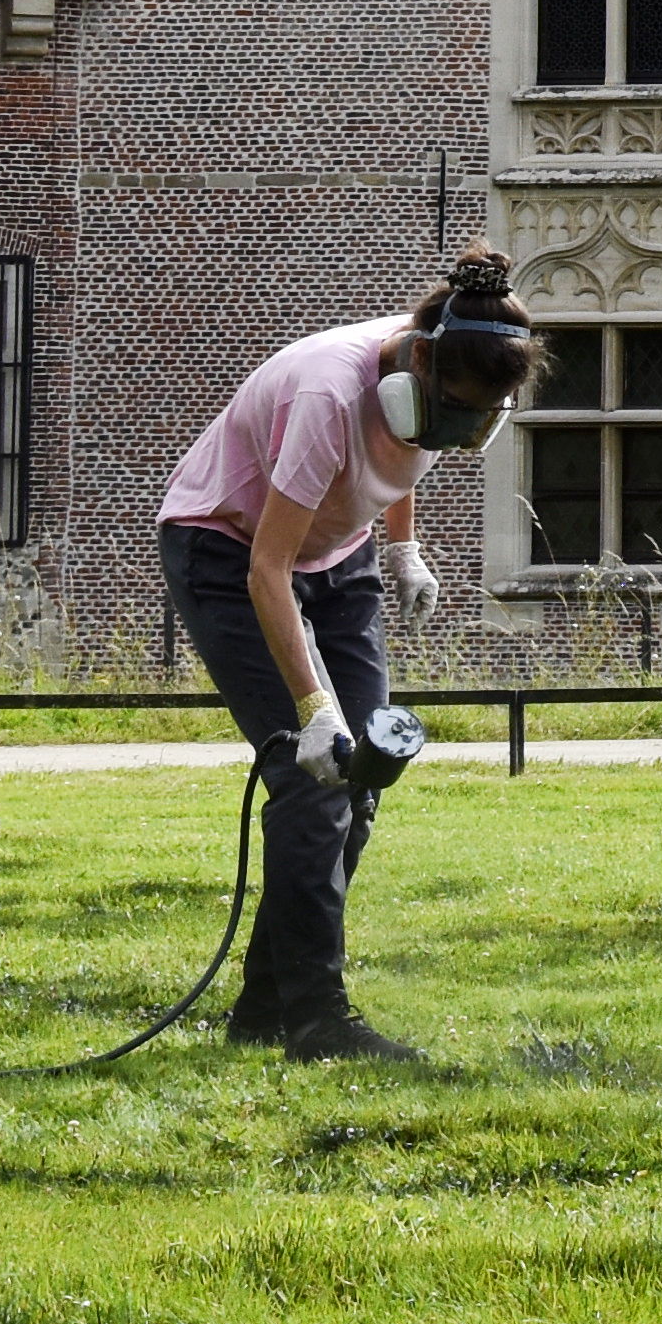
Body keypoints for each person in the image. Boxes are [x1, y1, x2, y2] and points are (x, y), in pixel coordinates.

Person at [154, 244, 544, 1059]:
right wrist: (312, 709)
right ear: (418, 365)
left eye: (475, 419)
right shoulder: (329, 393)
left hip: (339, 556)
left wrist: (402, 549)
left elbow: (397, 461)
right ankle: (317, 1021)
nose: (457, 431)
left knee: (364, 774)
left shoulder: (445, 381)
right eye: (452, 410)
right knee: (310, 777)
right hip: (228, 551)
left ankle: (266, 1012)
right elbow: (267, 566)